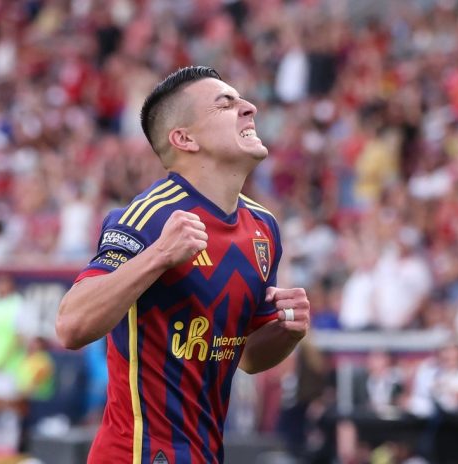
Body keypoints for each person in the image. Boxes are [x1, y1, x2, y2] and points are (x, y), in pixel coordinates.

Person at [56, 66, 310, 464]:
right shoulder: (148, 217)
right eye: (225, 104)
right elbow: (70, 325)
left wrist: (286, 332)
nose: (250, 108)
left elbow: (248, 357)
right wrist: (158, 255)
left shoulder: (263, 227)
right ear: (185, 139)